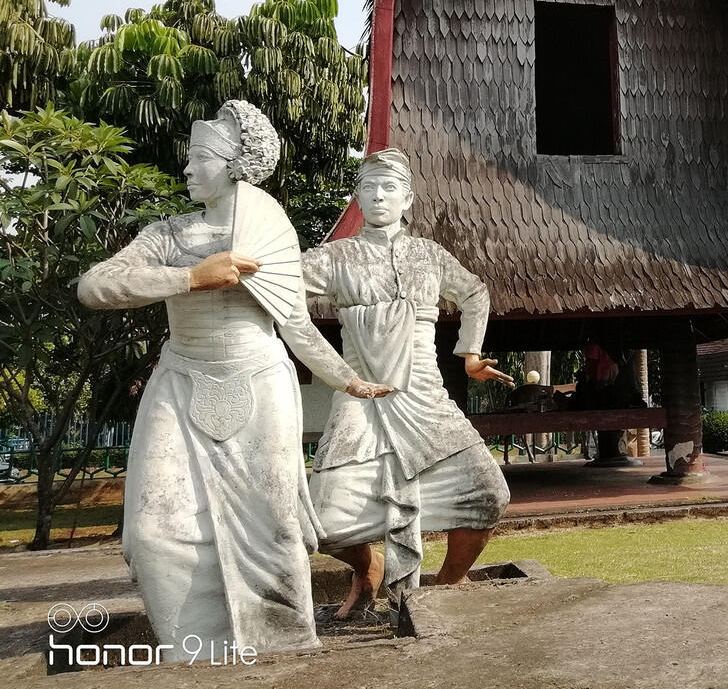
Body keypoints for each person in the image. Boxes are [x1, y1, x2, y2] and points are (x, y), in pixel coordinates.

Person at [77, 100, 390, 660]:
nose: (188, 170)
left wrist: (347, 380)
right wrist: (190, 277)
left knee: (273, 526)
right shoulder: (168, 234)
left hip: (261, 381)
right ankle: (192, 648)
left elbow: (295, 324)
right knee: (154, 530)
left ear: (234, 166)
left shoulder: (270, 235)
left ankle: (282, 643)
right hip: (181, 380)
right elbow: (94, 286)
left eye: (199, 158)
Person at [304, 148, 512, 620]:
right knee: (324, 526)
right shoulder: (336, 257)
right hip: (360, 399)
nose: (379, 196)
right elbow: (279, 285)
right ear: (356, 196)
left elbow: (475, 292)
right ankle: (369, 567)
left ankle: (446, 586)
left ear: (408, 199)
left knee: (488, 496)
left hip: (425, 397)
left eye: (389, 188)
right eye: (370, 188)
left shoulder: (428, 255)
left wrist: (471, 354)